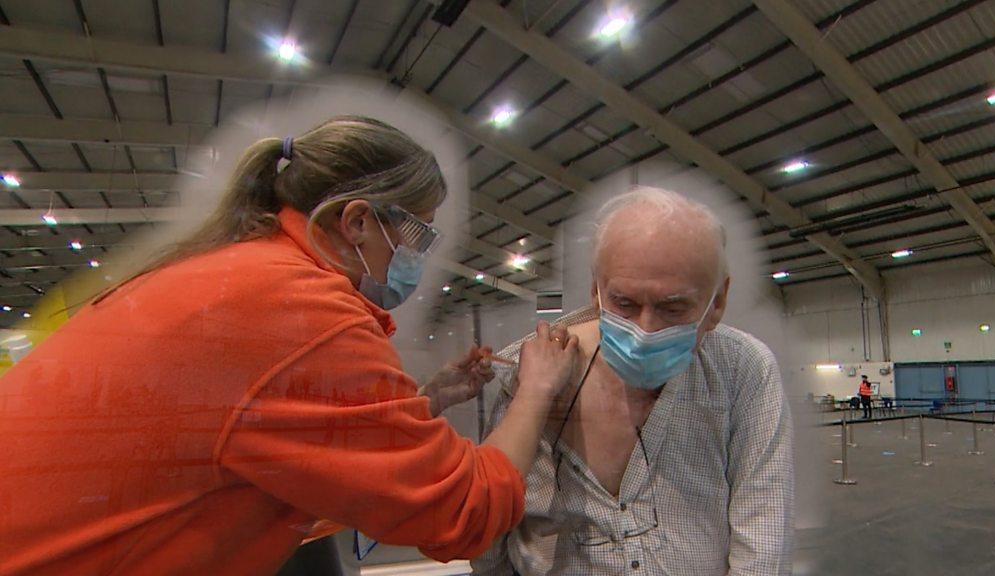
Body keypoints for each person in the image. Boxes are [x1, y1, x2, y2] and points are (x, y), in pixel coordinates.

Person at [0, 116, 581, 576]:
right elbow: (464, 512)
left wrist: (423, 403)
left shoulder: (236, 275)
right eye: (420, 233)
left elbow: (280, 443)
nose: (420, 257)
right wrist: (535, 390)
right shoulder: (299, 312)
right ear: (357, 222)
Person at [471, 187, 793, 576]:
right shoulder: (531, 369)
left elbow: (763, 533)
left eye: (672, 307)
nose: (645, 330)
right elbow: (492, 528)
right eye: (624, 304)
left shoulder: (743, 369)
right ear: (596, 290)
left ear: (718, 300)